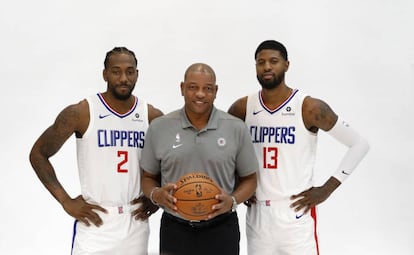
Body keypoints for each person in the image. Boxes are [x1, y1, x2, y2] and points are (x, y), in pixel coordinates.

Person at [228, 40, 370, 255]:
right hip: (258, 215)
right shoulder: (243, 107)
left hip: (296, 213)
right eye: (261, 62)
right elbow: (224, 150)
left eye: (273, 61)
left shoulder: (309, 107)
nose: (267, 66)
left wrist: (326, 189)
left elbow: (359, 144)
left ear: (286, 65)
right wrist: (239, 183)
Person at [29, 47, 163, 255]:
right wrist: (65, 200)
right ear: (105, 74)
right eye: (116, 71)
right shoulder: (81, 112)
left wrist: (156, 197)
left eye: (130, 71)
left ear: (137, 74)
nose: (123, 78)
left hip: (134, 221)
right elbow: (38, 154)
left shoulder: (151, 115)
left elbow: (170, 161)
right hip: (95, 219)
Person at [140, 63, 258, 255]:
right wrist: (156, 195)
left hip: (221, 227)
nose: (200, 94)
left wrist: (233, 201)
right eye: (193, 87)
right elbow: (147, 177)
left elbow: (250, 179)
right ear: (182, 88)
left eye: (207, 88)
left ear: (216, 91)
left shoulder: (235, 128)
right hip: (175, 229)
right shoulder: (159, 128)